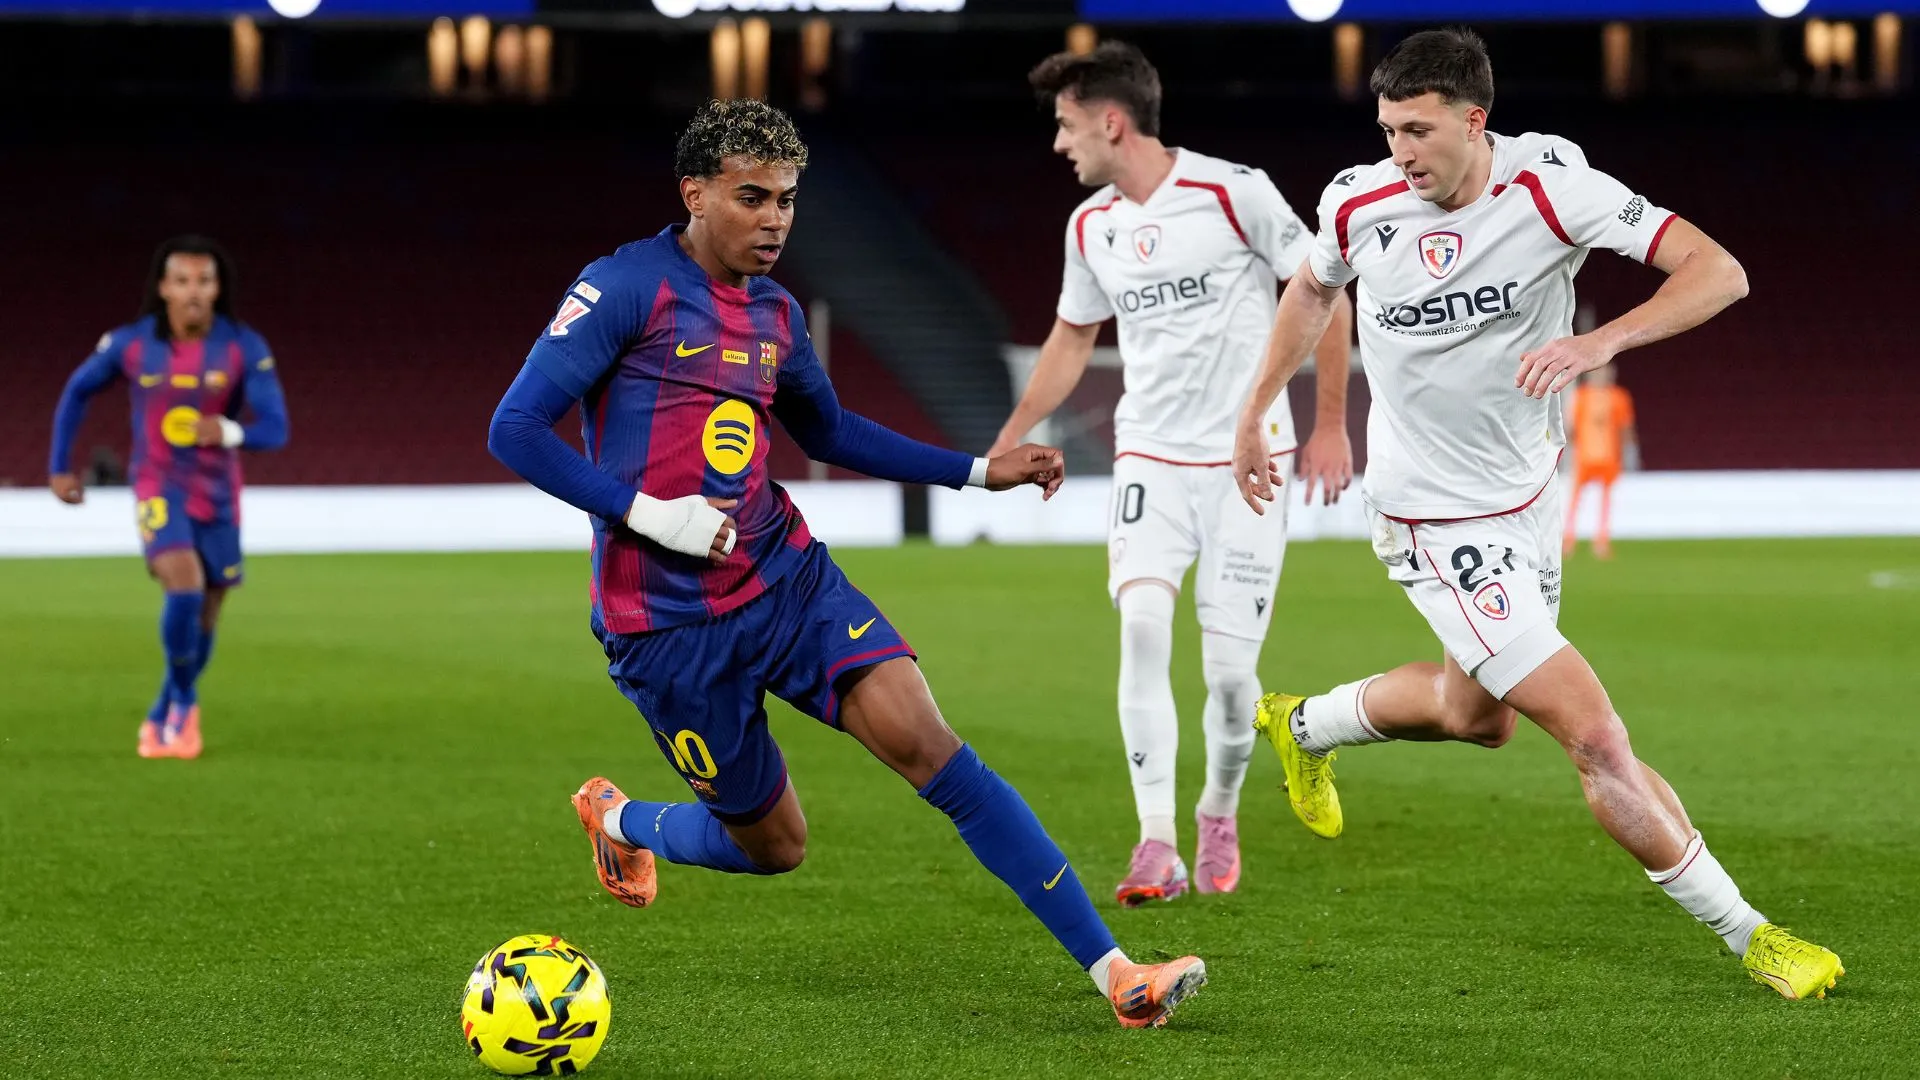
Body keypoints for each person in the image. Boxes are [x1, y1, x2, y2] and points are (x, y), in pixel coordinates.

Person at [486, 99, 1206, 1028]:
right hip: (664, 627)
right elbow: (514, 428)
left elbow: (827, 429)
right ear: (694, 194)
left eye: (788, 199)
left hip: (786, 581)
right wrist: (650, 517)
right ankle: (621, 819)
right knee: (775, 846)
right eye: (753, 197)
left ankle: (1116, 975)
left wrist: (979, 472)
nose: (776, 219)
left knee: (932, 746)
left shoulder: (778, 314)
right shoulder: (626, 288)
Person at [1228, 28, 1842, 1000]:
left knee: (1478, 717)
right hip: (1429, 518)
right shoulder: (1357, 201)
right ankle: (1755, 937)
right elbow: (1310, 289)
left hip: (1527, 498)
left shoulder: (1555, 184)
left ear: (1477, 120)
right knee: (1594, 736)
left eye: (1420, 131)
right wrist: (1260, 411)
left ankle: (1302, 724)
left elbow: (1719, 272)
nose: (1402, 152)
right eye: (1389, 130)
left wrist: (1604, 340)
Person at [993, 41, 1356, 906]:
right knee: (1144, 629)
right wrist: (1011, 433)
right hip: (1148, 455)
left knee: (1232, 680)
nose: (1059, 144)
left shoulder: (1235, 190)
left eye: (1067, 125)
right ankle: (1155, 839)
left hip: (1246, 461)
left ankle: (1217, 810)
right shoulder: (1092, 227)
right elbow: (1072, 337)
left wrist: (1334, 423)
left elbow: (1325, 289)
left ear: (1112, 122)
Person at [48, 235, 291, 759]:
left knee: (206, 613)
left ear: (218, 288)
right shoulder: (132, 345)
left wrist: (227, 431)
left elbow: (275, 428)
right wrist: (58, 467)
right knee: (184, 584)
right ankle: (185, 703)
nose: (193, 292)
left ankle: (166, 707)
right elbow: (76, 392)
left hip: (219, 496)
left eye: (204, 281)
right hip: (158, 486)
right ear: (163, 288)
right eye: (181, 281)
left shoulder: (243, 346)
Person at [1564, 364, 1638, 558]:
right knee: (1575, 500)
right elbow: (1571, 427)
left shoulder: (1619, 397)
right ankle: (1568, 539)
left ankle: (1601, 540)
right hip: (1584, 457)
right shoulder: (1581, 396)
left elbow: (1625, 427)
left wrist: (1630, 453)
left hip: (1609, 457)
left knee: (1605, 501)